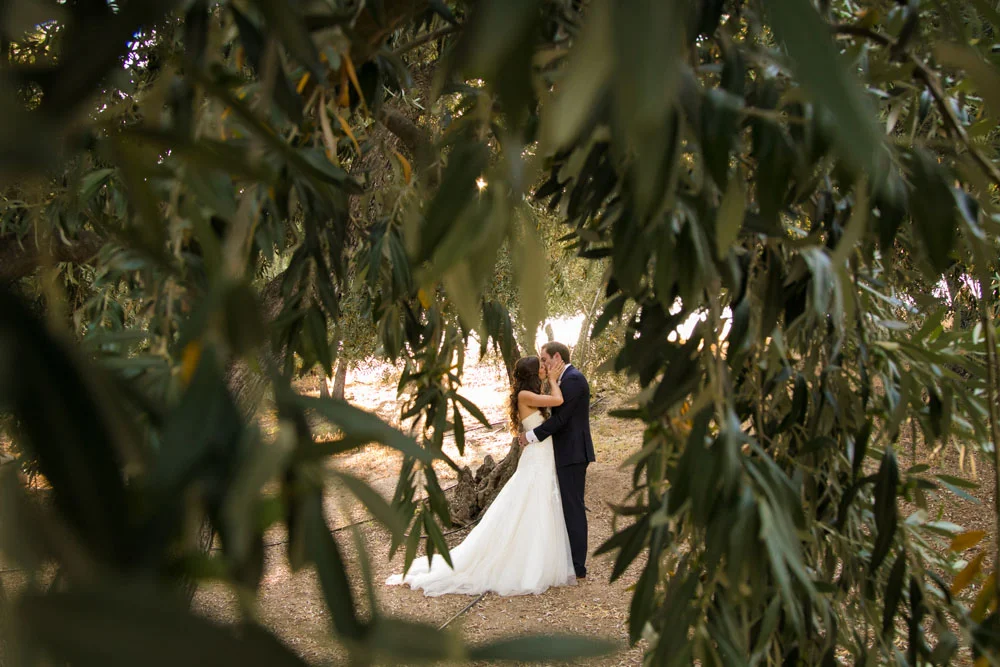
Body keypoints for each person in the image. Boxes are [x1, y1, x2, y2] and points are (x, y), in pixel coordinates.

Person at [385, 355, 576, 596]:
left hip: (542, 455)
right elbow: (558, 399)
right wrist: (552, 378)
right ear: (530, 374)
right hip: (537, 458)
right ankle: (526, 564)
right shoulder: (524, 396)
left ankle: (537, 558)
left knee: (540, 504)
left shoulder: (532, 395)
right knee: (531, 503)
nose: (543, 369)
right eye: (539, 367)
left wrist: (548, 379)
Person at [519, 341, 595, 579]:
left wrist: (531, 436)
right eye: (541, 361)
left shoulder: (572, 379)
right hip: (563, 452)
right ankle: (568, 560)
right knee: (566, 506)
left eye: (544, 359)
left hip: (572, 453)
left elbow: (560, 421)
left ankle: (577, 566)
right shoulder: (563, 380)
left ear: (557, 357)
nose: (543, 364)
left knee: (573, 507)